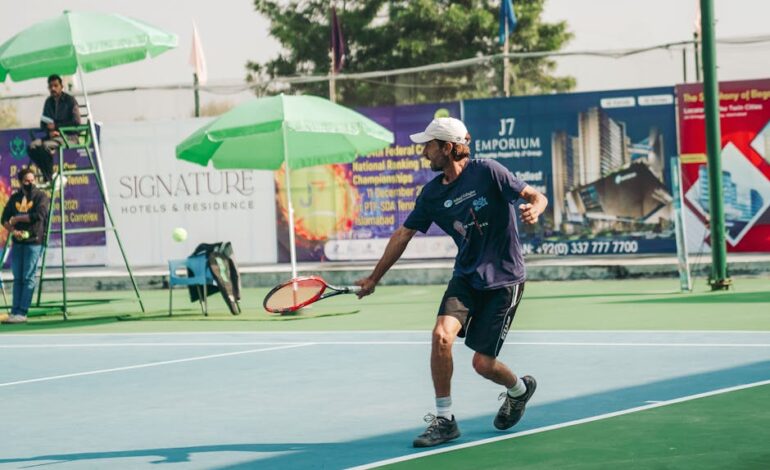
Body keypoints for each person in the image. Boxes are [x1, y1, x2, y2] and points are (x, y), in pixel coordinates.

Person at [355, 117, 548, 448]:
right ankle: (445, 421)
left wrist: (536, 208)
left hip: (504, 280)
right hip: (466, 278)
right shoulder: (431, 194)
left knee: (482, 364)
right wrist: (375, 277)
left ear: (448, 147)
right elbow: (403, 234)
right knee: (441, 337)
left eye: (429, 145)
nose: (424, 151)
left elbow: (536, 196)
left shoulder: (488, 171)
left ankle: (519, 390)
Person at [0, 168, 50, 324]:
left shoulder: (41, 196)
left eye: (32, 179)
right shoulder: (15, 197)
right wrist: (14, 231)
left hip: (34, 241)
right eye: (27, 180)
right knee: (18, 278)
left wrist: (19, 218)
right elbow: (4, 219)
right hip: (18, 242)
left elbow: (39, 216)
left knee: (28, 277)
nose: (31, 183)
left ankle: (22, 313)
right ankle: (15, 312)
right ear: (20, 182)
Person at [27, 74, 81, 183]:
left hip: (69, 136)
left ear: (62, 86)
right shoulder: (48, 102)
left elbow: (76, 122)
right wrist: (50, 131)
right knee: (31, 146)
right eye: (50, 86)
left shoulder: (70, 101)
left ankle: (48, 178)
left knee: (46, 146)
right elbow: (43, 123)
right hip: (52, 137)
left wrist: (57, 127)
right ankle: (48, 175)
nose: (53, 88)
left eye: (56, 85)